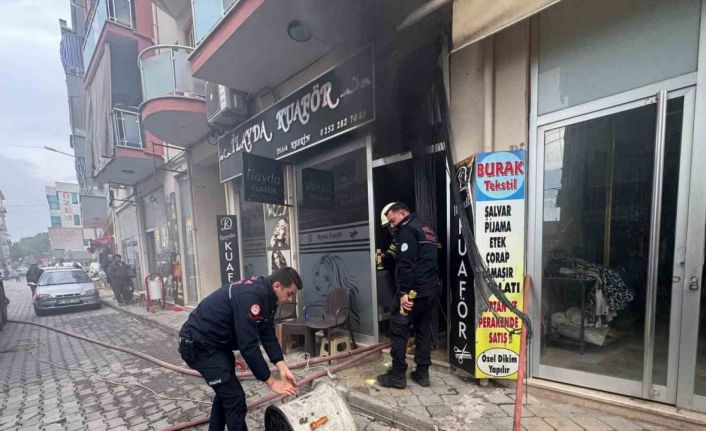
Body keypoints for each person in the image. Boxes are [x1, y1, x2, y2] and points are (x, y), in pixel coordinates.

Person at [178, 267, 301, 430]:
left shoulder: (268, 297)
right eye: (289, 294)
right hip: (198, 345)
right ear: (277, 286)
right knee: (235, 399)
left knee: (225, 393)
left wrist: (282, 367)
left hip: (217, 345)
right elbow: (248, 346)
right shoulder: (251, 296)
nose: (290, 299)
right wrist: (271, 382)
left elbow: (267, 333)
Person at [376, 202, 439, 389]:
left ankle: (397, 375)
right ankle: (422, 374)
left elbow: (407, 264)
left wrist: (403, 292)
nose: (392, 225)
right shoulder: (427, 230)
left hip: (412, 292)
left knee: (398, 329)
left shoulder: (407, 231)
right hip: (430, 290)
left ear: (402, 213)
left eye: (392, 220)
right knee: (423, 330)